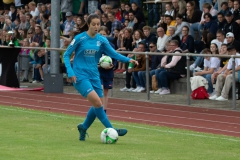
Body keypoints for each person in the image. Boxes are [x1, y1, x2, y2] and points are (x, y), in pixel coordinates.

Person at [63, 14, 138, 141]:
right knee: (98, 103)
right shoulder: (80, 38)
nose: (96, 27)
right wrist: (70, 72)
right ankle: (112, 129)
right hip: (80, 76)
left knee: (98, 104)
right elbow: (66, 54)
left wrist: (128, 59)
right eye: (94, 24)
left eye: (98, 24)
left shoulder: (102, 40)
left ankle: (84, 127)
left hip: (94, 75)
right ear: (88, 24)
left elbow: (113, 54)